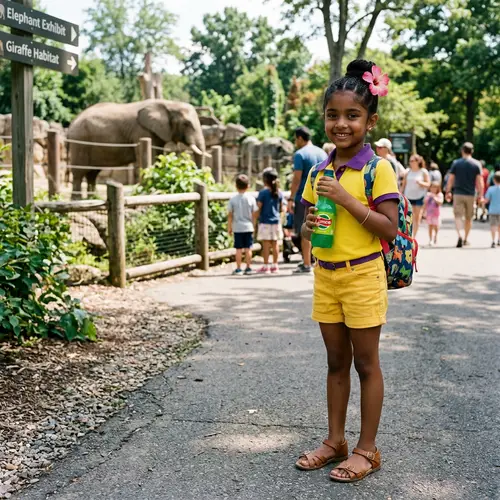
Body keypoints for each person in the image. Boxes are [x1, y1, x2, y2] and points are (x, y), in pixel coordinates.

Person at [295, 59, 399, 483]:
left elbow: (388, 228)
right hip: (327, 274)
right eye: (332, 115)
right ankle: (335, 440)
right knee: (336, 363)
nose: (341, 124)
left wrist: (346, 200)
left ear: (369, 121)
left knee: (366, 365)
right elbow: (305, 224)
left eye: (352, 115)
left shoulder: (379, 168)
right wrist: (310, 225)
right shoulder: (319, 170)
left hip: (362, 275)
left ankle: (367, 450)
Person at [288, 126, 327, 273]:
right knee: (322, 226)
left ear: (299, 138)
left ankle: (306, 263)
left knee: (306, 228)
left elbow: (297, 178)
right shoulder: (322, 152)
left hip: (304, 196)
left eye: (295, 139)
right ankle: (318, 260)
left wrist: (291, 198)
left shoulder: (300, 154)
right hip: (323, 196)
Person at [445, 142, 484, 247]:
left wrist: (448, 191)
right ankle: (466, 238)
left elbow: (451, 179)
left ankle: (460, 235)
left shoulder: (456, 163)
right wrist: (481, 195)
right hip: (471, 194)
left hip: (458, 193)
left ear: (462, 150)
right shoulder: (476, 164)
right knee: (468, 217)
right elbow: (480, 181)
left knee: (457, 216)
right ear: (472, 151)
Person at [227, 174, 258, 275]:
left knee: (238, 249)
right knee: (248, 248)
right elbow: (254, 214)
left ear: (236, 186)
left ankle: (239, 268)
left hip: (237, 227)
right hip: (248, 227)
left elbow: (230, 215)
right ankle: (248, 268)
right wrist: (253, 225)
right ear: (248, 186)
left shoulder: (233, 199)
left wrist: (229, 227)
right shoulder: (251, 199)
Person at [256, 168, 284, 274]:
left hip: (265, 221)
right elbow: (282, 207)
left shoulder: (263, 193)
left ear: (265, 180)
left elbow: (259, 207)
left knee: (266, 244)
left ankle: (266, 266)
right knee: (275, 244)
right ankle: (275, 265)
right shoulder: (279, 192)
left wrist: (255, 218)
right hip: (276, 221)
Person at [401, 154, 430, 237]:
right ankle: (408, 234)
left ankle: (414, 237)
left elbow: (428, 184)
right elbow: (403, 185)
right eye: (410, 161)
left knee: (417, 217)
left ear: (418, 161)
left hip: (419, 196)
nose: (411, 162)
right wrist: (400, 195)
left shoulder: (423, 171)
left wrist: (421, 183)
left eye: (413, 161)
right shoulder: (408, 171)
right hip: (408, 197)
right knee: (408, 217)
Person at [424, 182, 444, 246]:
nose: (433, 189)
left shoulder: (440, 195)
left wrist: (434, 197)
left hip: (436, 214)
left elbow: (440, 202)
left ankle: (435, 236)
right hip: (429, 214)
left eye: (435, 187)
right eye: (432, 187)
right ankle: (430, 239)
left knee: (436, 226)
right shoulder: (428, 194)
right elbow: (425, 203)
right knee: (430, 226)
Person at [484, 171, 500, 247]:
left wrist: (482, 201)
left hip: (493, 210)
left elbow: (486, 200)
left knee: (493, 225)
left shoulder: (491, 189)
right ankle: (499, 240)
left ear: (494, 180)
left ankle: (493, 240)